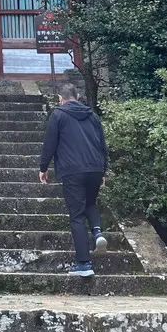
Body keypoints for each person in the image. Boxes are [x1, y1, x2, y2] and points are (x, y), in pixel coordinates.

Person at [39, 82, 109, 277]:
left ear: (60, 99)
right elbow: (102, 144)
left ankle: (84, 264)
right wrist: (104, 170)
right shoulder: (92, 116)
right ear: (77, 97)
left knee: (76, 214)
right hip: (95, 167)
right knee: (90, 203)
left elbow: (50, 143)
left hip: (72, 170)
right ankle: (97, 233)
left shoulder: (59, 115)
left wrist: (43, 168)